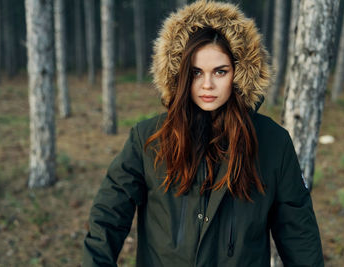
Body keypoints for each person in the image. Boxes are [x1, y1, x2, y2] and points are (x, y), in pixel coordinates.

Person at [83, 1, 324, 266]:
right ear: (181, 74)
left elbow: (299, 233)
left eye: (220, 72)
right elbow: (109, 216)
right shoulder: (149, 138)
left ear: (240, 72)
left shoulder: (272, 142)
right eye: (196, 73)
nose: (207, 85)